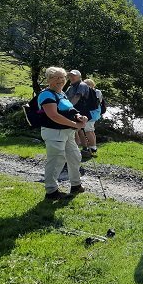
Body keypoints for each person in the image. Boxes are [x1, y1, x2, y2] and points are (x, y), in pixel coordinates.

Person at [38, 67, 88, 200]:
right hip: (54, 132)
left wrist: (79, 116)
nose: (60, 80)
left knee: (74, 157)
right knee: (56, 160)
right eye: (56, 78)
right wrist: (76, 125)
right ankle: (51, 191)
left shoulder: (62, 93)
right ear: (49, 80)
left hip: (67, 133)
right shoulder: (46, 95)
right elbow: (54, 116)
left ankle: (76, 185)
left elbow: (70, 109)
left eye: (62, 77)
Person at [65, 69, 92, 159]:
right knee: (79, 130)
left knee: (75, 130)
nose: (71, 77)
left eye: (74, 75)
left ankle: (75, 151)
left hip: (80, 112)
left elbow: (77, 97)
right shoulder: (71, 86)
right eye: (70, 75)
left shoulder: (82, 85)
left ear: (79, 77)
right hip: (75, 111)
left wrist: (69, 108)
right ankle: (84, 149)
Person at [82, 78, 102, 155]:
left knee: (88, 131)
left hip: (90, 114)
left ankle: (92, 147)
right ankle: (93, 146)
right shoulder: (98, 92)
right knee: (91, 130)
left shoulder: (93, 93)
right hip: (95, 114)